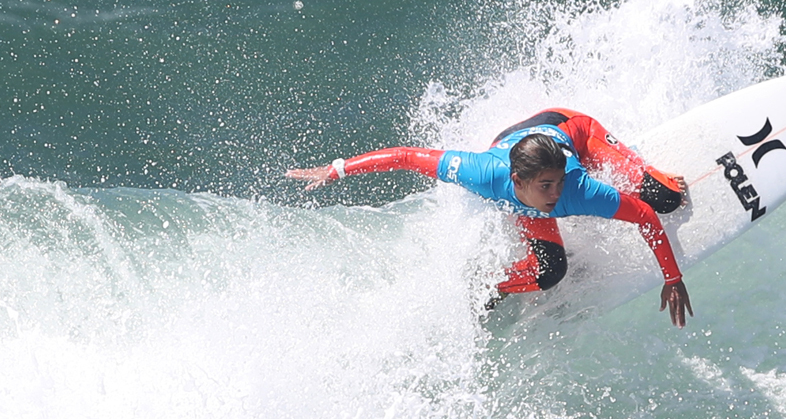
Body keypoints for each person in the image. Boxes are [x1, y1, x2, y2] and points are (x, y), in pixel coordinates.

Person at [286, 109, 693, 327]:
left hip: (570, 128)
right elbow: (405, 157)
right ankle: (492, 288)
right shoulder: (481, 173)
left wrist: (672, 278)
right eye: (546, 187)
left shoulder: (578, 187)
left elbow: (644, 217)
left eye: (559, 185)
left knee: (665, 198)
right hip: (514, 143)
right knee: (552, 271)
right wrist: (336, 170)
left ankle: (645, 167)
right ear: (517, 181)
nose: (556, 195)